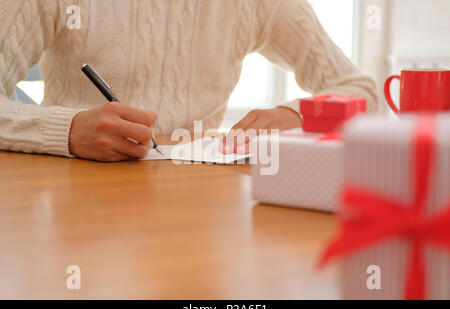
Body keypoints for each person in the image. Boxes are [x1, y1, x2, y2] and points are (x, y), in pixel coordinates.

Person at [0, 0, 378, 162]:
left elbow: (361, 92)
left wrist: (293, 115)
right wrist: (64, 130)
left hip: (194, 199)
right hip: (74, 202)